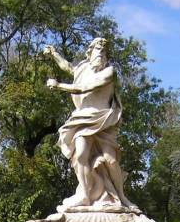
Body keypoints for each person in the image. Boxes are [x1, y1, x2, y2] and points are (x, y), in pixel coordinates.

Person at [43, 37, 137, 210]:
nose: (101, 55)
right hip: (82, 120)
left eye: (104, 53)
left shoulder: (109, 72)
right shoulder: (83, 68)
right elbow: (69, 67)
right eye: (98, 51)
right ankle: (85, 196)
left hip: (103, 120)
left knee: (110, 161)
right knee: (80, 156)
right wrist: (54, 54)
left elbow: (85, 87)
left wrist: (58, 86)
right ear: (90, 52)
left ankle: (122, 197)